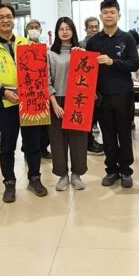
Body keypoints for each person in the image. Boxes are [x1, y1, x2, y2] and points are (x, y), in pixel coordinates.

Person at [0, 3, 47, 203]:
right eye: (0, 17)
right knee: (7, 145)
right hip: (6, 102)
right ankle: (9, 182)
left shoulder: (27, 43)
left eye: (8, 16)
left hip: (31, 100)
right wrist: (3, 92)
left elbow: (41, 69)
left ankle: (34, 178)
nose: (5, 20)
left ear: (14, 19)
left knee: (33, 142)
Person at [86, 0, 139, 189]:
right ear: (101, 15)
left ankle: (125, 171)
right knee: (107, 135)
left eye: (112, 12)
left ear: (118, 15)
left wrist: (112, 62)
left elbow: (134, 64)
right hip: (102, 96)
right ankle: (111, 170)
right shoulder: (93, 41)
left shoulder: (127, 38)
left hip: (123, 94)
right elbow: (88, 68)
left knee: (124, 134)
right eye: (105, 12)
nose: (109, 15)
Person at [47, 17, 88, 191]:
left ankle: (77, 174)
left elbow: (88, 76)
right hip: (57, 99)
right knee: (57, 139)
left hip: (78, 99)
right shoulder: (50, 54)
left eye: (68, 28)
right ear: (57, 32)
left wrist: (82, 56)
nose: (65, 32)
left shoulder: (81, 52)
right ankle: (62, 175)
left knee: (79, 139)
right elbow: (46, 81)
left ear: (73, 31)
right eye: (61, 29)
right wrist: (54, 104)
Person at [25, 19, 52, 160]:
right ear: (27, 30)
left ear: (40, 30)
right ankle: (28, 150)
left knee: (44, 122)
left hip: (43, 88)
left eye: (36, 27)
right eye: (31, 27)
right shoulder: (21, 46)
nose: (34, 29)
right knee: (29, 123)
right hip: (28, 89)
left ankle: (43, 148)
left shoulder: (46, 47)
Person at [78, 16, 104, 156]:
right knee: (88, 117)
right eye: (91, 27)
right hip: (87, 86)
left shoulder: (103, 42)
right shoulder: (82, 45)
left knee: (98, 115)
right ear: (86, 29)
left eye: (96, 26)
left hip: (102, 84)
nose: (94, 29)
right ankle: (88, 144)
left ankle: (94, 141)